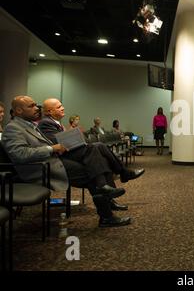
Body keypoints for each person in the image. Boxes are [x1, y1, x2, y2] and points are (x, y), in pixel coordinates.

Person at [1, 96, 132, 227]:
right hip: (41, 168)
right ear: (18, 110)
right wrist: (51, 148)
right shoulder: (13, 128)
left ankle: (106, 210)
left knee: (97, 164)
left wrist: (54, 149)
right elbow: (20, 154)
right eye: (31, 106)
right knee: (94, 172)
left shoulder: (30, 126)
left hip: (52, 162)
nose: (36, 108)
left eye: (36, 105)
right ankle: (107, 214)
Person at [37, 98, 145, 211]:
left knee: (101, 151)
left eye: (61, 105)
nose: (63, 108)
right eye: (58, 107)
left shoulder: (55, 122)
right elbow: (58, 143)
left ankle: (112, 192)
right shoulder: (46, 123)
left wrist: (75, 135)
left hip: (71, 152)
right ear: (49, 111)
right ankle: (121, 175)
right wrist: (75, 135)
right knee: (96, 150)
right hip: (63, 156)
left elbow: (63, 139)